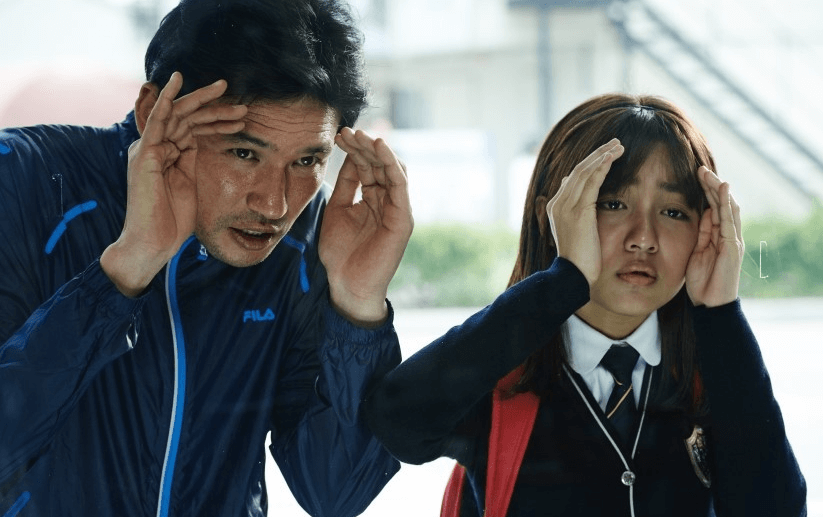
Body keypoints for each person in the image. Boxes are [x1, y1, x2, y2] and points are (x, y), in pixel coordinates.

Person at [0, 1, 413, 516]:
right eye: (244, 153)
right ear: (153, 111)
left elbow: (337, 493)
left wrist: (358, 307)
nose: (274, 204)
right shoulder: (22, 180)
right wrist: (125, 269)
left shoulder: (311, 232)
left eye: (307, 160)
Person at [364, 94, 806, 516]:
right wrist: (564, 280)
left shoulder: (713, 372)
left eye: (673, 212)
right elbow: (398, 423)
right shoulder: (501, 371)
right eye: (613, 203)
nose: (644, 238)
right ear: (552, 217)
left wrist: (721, 316)